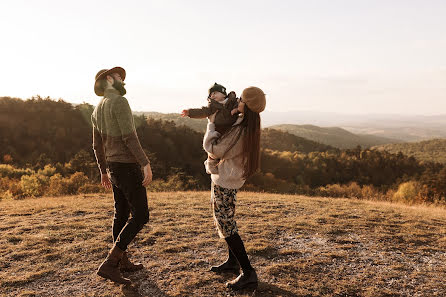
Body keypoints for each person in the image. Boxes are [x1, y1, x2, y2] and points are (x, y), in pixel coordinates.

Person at [91, 66, 153, 285]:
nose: (123, 81)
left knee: (121, 213)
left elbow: (96, 145)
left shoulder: (97, 108)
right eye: (119, 77)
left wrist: (103, 171)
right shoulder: (119, 101)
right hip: (127, 166)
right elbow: (129, 136)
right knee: (141, 215)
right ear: (109, 79)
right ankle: (110, 263)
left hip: (114, 167)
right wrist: (145, 163)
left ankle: (122, 262)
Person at [203, 86, 266, 290]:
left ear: (245, 105)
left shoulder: (240, 130)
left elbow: (214, 148)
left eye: (241, 99)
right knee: (228, 220)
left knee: (226, 224)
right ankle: (233, 262)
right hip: (230, 178)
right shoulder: (247, 125)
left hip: (225, 180)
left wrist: (211, 126)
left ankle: (248, 272)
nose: (237, 100)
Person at [182, 82, 239, 174]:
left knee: (230, 150)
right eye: (211, 94)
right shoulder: (212, 106)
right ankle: (211, 165)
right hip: (218, 128)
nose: (212, 95)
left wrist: (236, 109)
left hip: (231, 129)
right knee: (214, 150)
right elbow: (203, 112)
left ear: (223, 94)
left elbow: (240, 104)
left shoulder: (233, 102)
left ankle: (230, 167)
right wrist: (190, 112)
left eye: (215, 93)